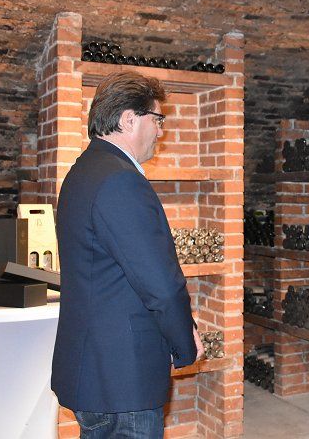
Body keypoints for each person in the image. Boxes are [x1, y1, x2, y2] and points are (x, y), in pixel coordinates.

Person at [52, 72, 203, 438]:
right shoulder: (120, 180)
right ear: (129, 119)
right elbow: (160, 283)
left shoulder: (82, 172)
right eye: (158, 119)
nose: (161, 131)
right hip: (123, 377)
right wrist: (185, 341)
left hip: (95, 368)